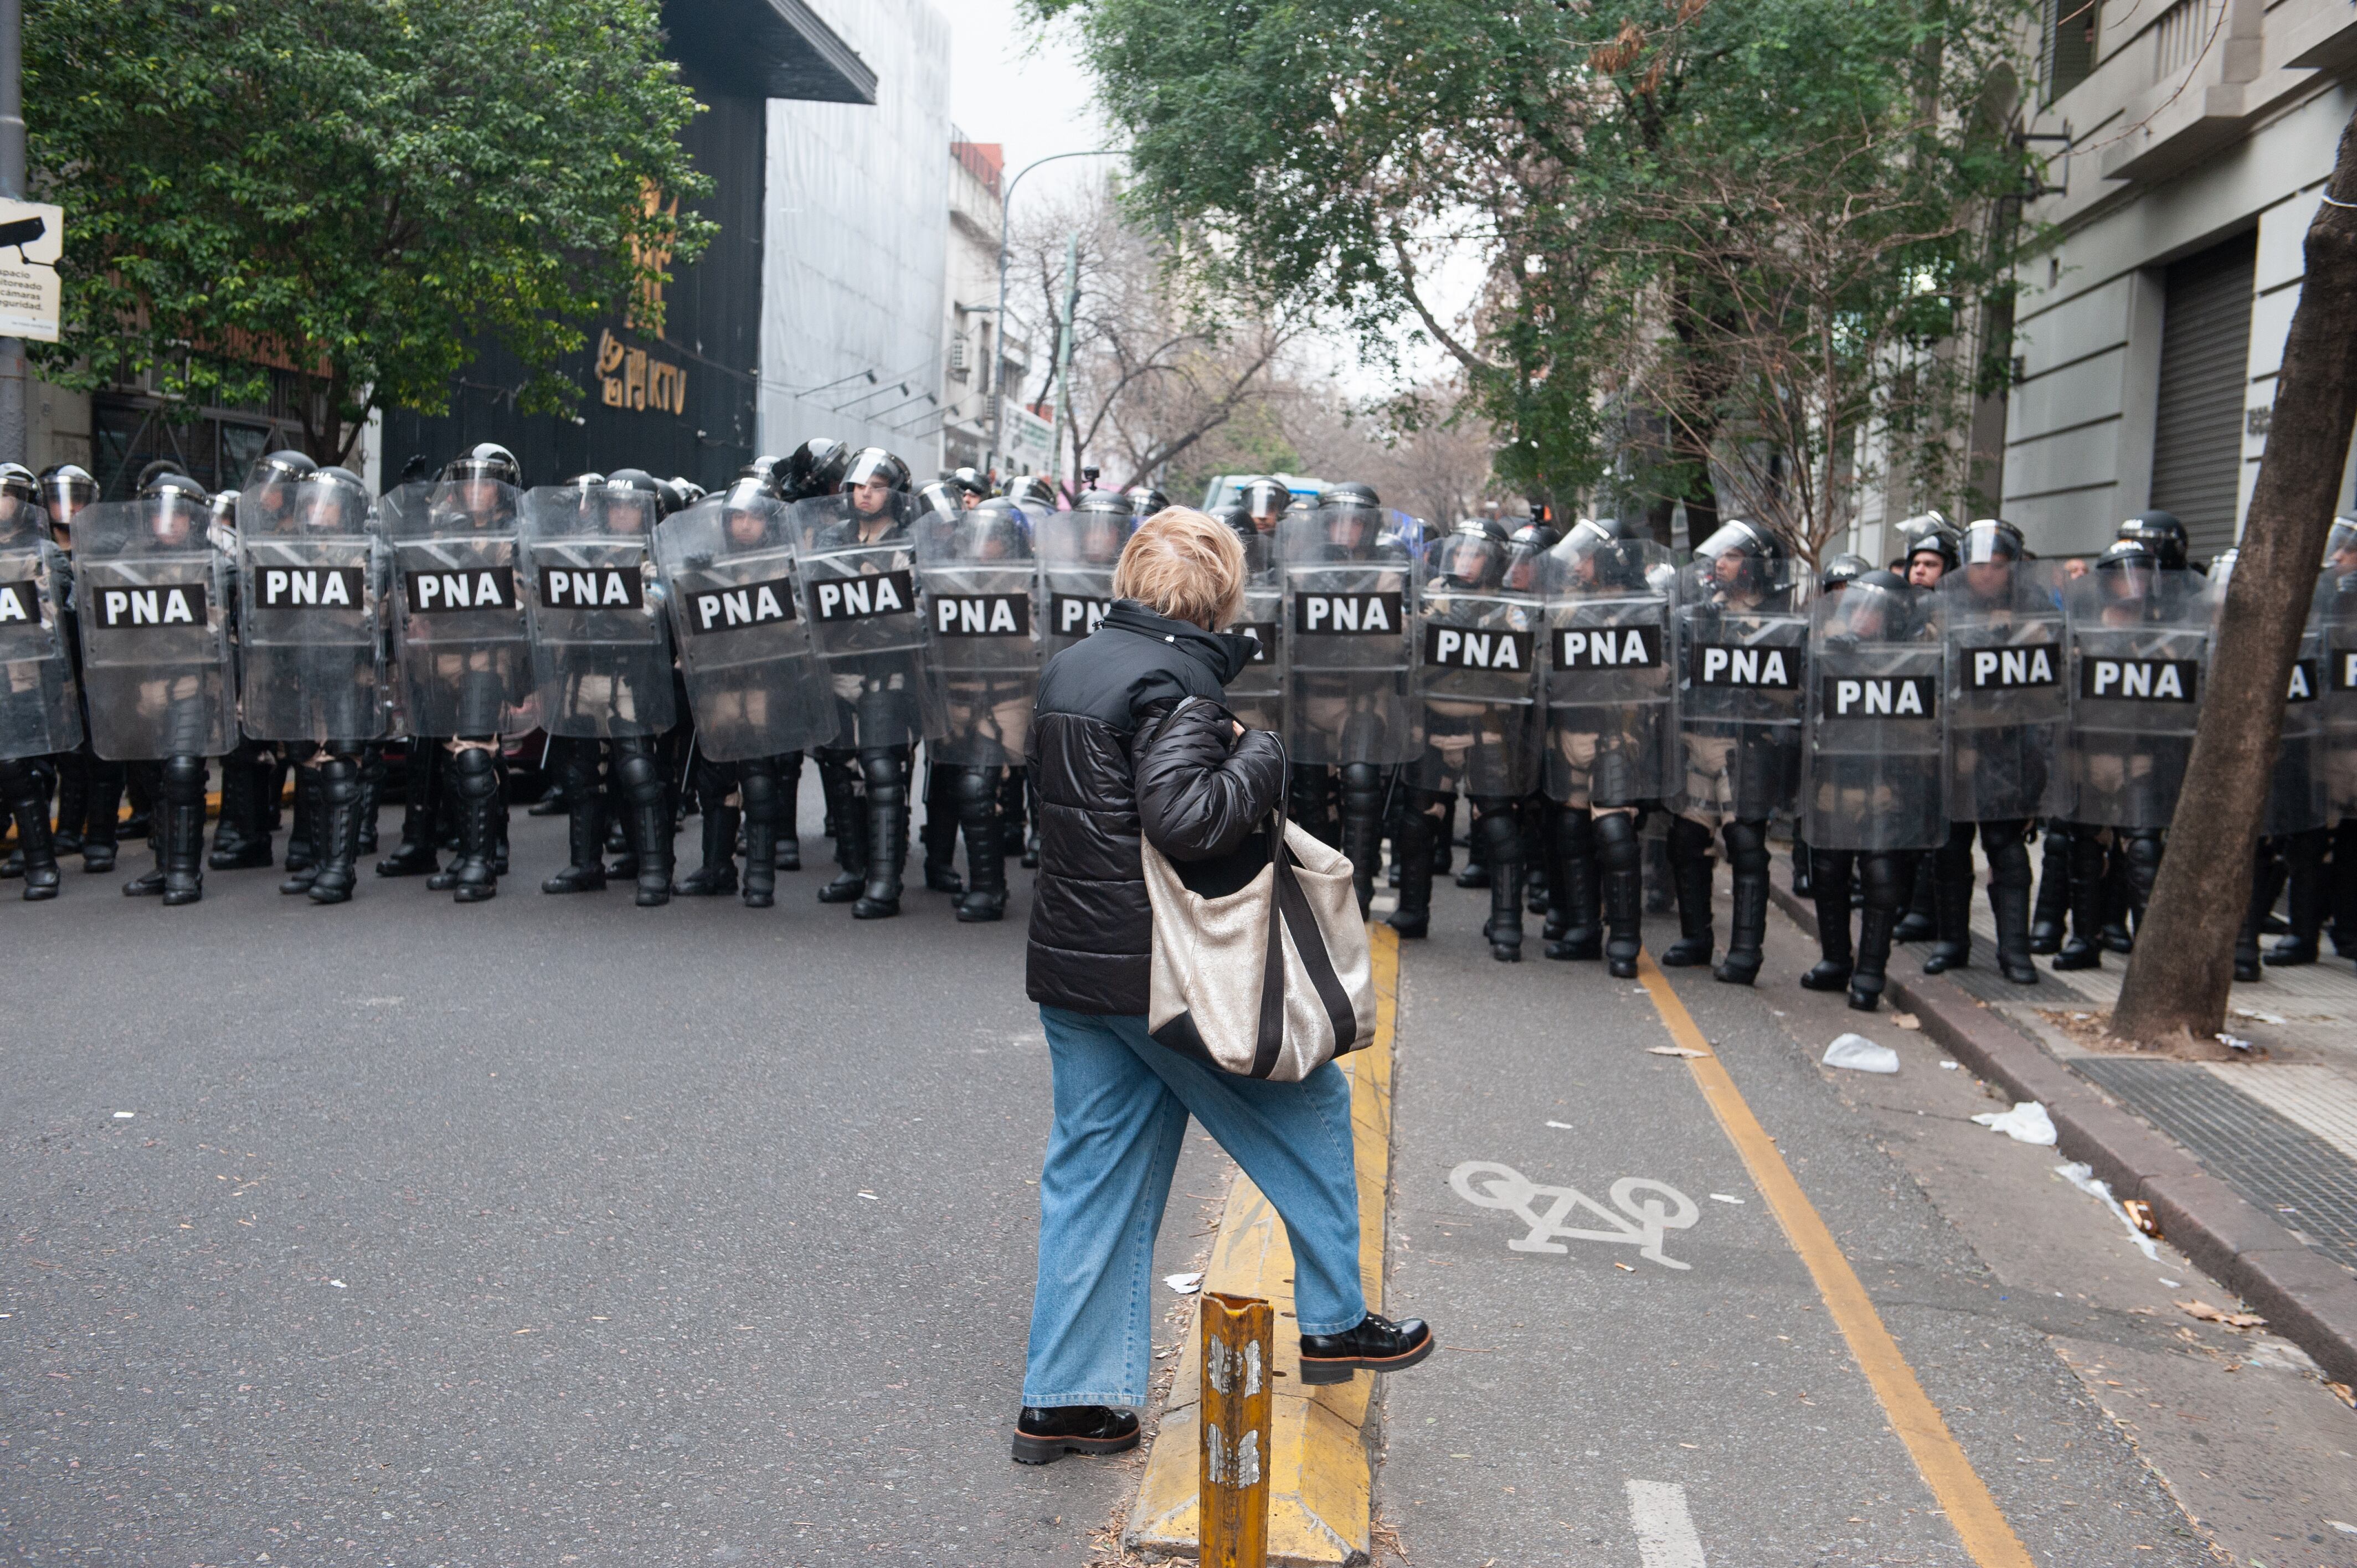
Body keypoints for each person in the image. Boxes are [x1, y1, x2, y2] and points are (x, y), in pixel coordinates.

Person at [1016, 505, 1432, 1465]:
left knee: (1093, 1179)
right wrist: (1262, 751)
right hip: (1166, 979)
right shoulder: (1178, 681)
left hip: (1074, 970)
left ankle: (1066, 1402)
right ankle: (1334, 1321)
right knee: (1316, 1106)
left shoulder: (1073, 666)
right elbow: (1187, 818)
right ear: (1217, 594)